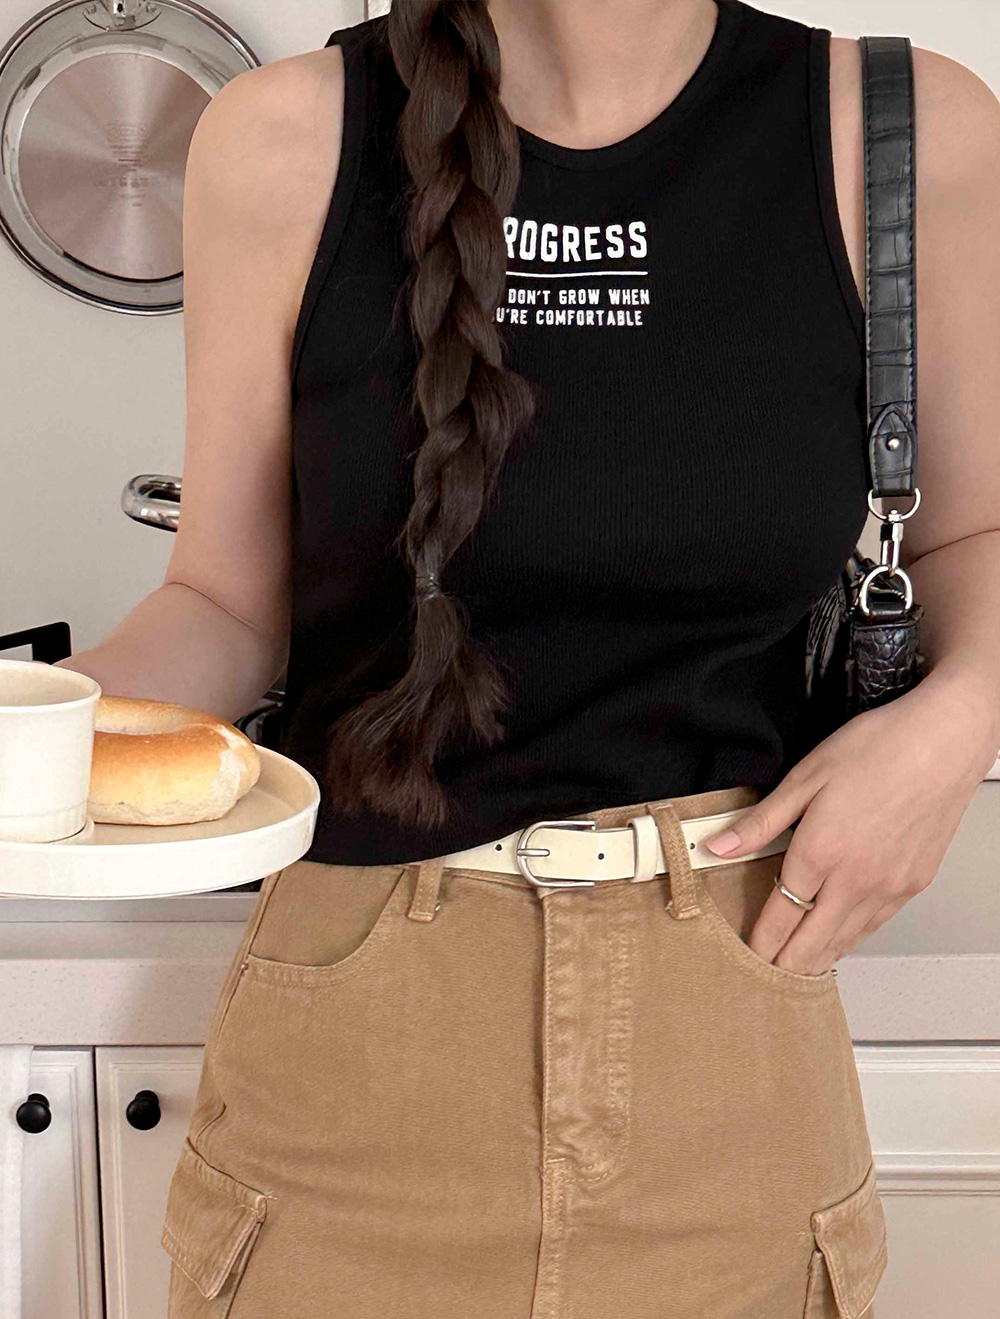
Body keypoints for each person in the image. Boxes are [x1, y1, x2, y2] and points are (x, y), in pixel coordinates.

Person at [57, 1, 1000, 1314]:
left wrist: (960, 722)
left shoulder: (908, 131)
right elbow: (222, 602)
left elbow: (971, 535)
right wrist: (41, 730)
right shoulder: (280, 141)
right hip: (350, 1054)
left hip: (734, 1037)